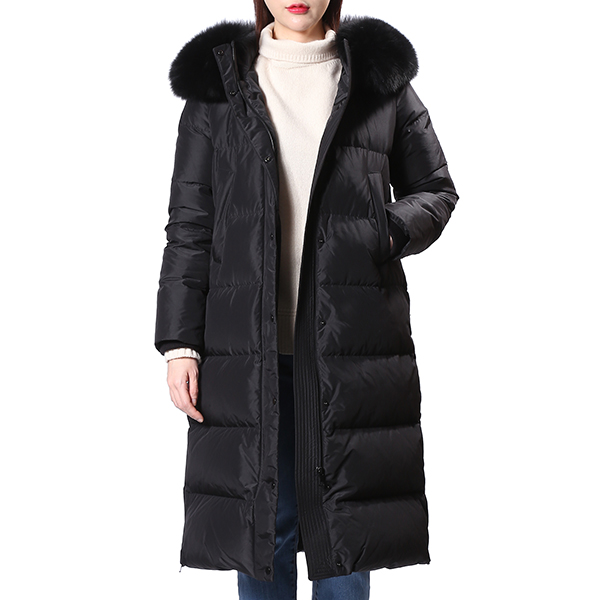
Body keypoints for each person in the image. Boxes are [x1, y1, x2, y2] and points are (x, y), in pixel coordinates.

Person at [154, 0, 458, 598]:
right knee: (262, 528)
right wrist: (179, 344)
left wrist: (386, 230)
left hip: (350, 344)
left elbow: (435, 189)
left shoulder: (377, 78)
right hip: (247, 350)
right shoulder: (219, 84)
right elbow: (190, 224)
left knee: (342, 532)